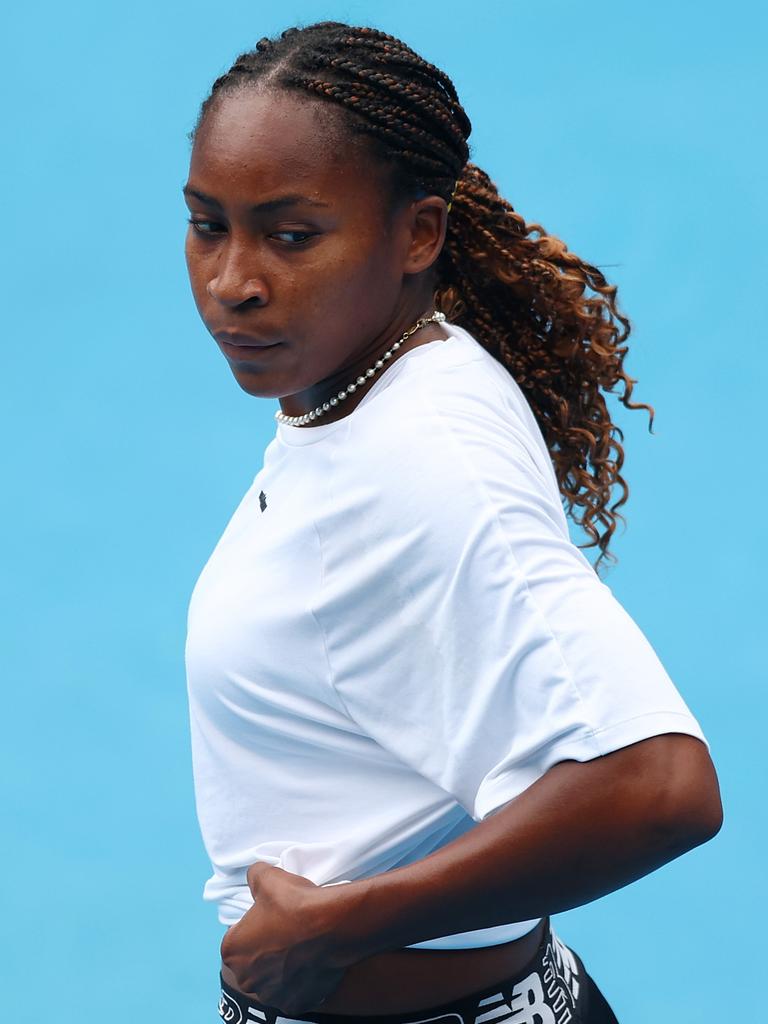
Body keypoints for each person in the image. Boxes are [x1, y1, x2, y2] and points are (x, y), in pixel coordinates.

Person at [181, 20, 723, 1024]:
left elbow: (660, 784)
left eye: (290, 235)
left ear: (418, 235)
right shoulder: (375, 387)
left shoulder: (422, 459)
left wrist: (339, 926)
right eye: (210, 223)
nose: (232, 281)